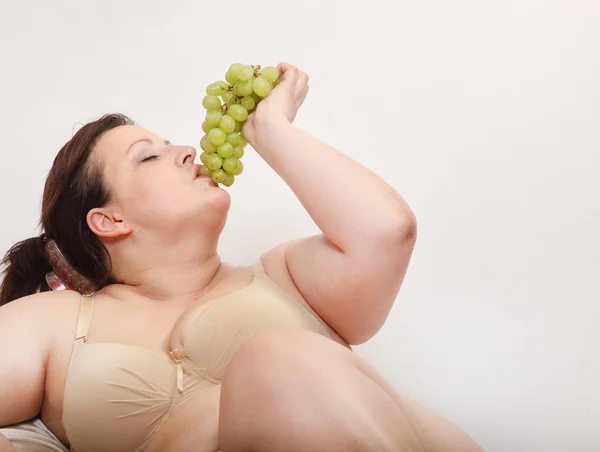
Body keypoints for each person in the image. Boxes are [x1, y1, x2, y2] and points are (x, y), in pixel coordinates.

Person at [0, 63, 482, 452]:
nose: (189, 151)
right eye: (150, 156)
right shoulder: (58, 322)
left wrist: (270, 129)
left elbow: (386, 232)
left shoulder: (285, 275)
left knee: (277, 359)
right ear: (108, 221)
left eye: (172, 145)